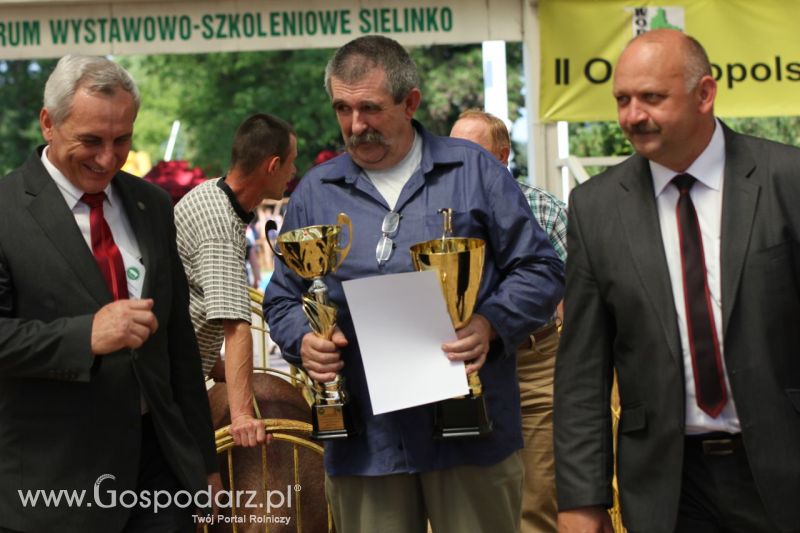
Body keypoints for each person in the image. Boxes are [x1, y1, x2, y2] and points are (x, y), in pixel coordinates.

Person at [264, 35, 563, 533]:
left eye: (370, 108)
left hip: (471, 431)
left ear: (411, 103)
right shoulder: (315, 191)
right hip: (365, 441)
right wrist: (304, 339)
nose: (356, 126)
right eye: (343, 108)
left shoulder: (475, 172)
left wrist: (490, 324)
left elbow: (541, 268)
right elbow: (283, 297)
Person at [554, 29, 800, 533]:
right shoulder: (596, 208)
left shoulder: (787, 180)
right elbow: (582, 369)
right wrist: (582, 497)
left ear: (705, 94)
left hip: (783, 469)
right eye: (622, 99)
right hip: (666, 487)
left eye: (652, 97)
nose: (632, 116)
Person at [0, 55, 220, 532]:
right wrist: (85, 337)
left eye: (122, 139)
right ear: (48, 124)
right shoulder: (5, 212)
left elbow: (179, 345)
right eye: (91, 141)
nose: (108, 158)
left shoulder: (153, 204)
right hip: (56, 482)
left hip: (161, 474)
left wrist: (204, 461)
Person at [451, 109, 567, 533]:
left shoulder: (545, 210)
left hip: (532, 360)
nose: (457, 162)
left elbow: (571, 297)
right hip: (461, 365)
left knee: (537, 499)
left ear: (501, 158)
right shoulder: (433, 214)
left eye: (471, 153)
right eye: (452, 151)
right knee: (467, 502)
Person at [174, 113, 297, 448]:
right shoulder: (220, 226)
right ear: (273, 165)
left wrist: (213, 365)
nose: (293, 174)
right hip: (164, 388)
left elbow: (186, 301)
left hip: (173, 368)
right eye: (291, 164)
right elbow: (237, 325)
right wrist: (242, 416)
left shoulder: (211, 195)